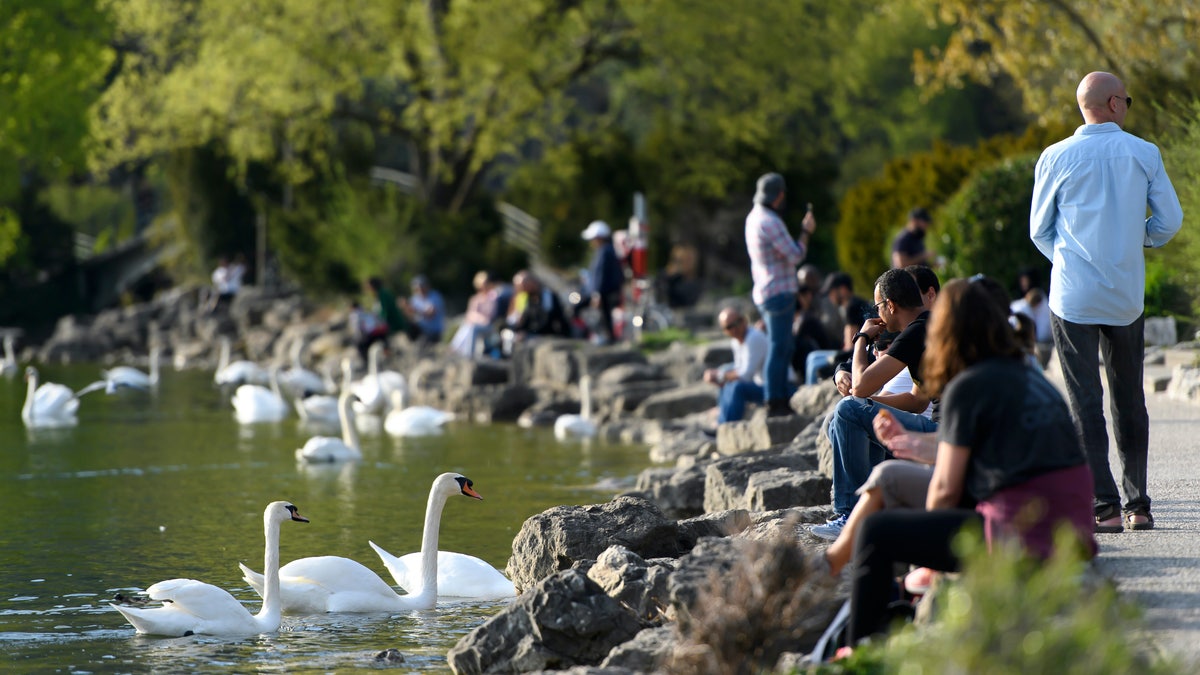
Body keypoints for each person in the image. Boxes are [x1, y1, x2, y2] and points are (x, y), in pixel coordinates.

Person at [840, 278, 1097, 644]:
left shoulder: (968, 386)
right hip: (1073, 534)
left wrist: (930, 562)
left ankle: (860, 649)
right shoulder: (1033, 379)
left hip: (1022, 540)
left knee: (876, 532)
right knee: (903, 486)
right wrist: (914, 444)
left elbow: (944, 493)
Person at [1030, 71, 1183, 532]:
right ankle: (1138, 504)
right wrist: (1140, 239)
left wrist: (1069, 259)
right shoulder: (1144, 153)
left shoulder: (1055, 156)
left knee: (1084, 401)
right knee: (1129, 397)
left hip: (1073, 294)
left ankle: (1105, 508)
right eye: (1128, 100)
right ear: (1115, 103)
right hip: (1125, 295)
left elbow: (1040, 229)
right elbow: (1170, 220)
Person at [809, 268, 937, 540]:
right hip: (938, 429)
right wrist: (866, 404)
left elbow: (860, 386)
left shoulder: (916, 331)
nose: (877, 312)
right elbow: (917, 400)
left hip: (941, 435)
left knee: (846, 409)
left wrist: (861, 338)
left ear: (890, 305)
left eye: (879, 305)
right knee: (845, 415)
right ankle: (873, 502)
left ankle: (851, 514)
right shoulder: (929, 325)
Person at [744, 172, 816, 416]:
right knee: (779, 347)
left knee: (781, 346)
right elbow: (795, 255)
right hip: (779, 293)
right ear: (780, 195)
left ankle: (777, 397)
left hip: (764, 291)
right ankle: (775, 400)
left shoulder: (753, 217)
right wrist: (805, 232)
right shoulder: (771, 222)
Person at [703, 307, 769, 425]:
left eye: (737, 323)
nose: (734, 328)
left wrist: (719, 376)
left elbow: (746, 376)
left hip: (770, 387)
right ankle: (722, 413)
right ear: (725, 331)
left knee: (736, 386)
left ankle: (725, 425)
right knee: (727, 373)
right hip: (758, 382)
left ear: (744, 321)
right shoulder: (737, 342)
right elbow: (738, 369)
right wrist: (721, 377)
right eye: (729, 327)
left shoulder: (753, 338)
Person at [804, 272, 871, 385]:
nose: (830, 297)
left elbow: (850, 345)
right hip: (861, 352)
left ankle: (810, 396)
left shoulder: (852, 307)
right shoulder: (854, 303)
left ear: (843, 289)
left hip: (860, 354)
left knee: (814, 363)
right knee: (812, 357)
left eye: (832, 292)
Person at [582, 220, 626, 344]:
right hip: (608, 291)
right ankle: (608, 338)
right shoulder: (608, 250)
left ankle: (607, 339)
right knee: (606, 317)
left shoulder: (604, 252)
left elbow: (599, 274)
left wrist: (597, 294)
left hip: (605, 292)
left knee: (605, 317)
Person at [450, 271, 500, 358]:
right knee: (468, 327)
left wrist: (479, 317)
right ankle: (459, 350)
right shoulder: (475, 298)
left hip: (489, 326)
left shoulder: (493, 297)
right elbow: (470, 315)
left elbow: (491, 315)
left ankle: (466, 354)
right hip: (477, 324)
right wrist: (479, 318)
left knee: (471, 328)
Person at [366, 276, 411, 347]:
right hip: (391, 322)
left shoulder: (382, 294)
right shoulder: (382, 293)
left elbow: (385, 311)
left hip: (394, 323)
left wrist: (378, 320)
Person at [407, 275, 446, 344]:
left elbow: (431, 314)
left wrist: (415, 310)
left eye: (421, 287)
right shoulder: (414, 299)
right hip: (420, 329)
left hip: (433, 330)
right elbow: (411, 316)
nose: (420, 289)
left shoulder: (435, 296)